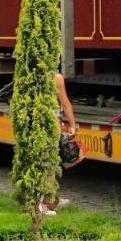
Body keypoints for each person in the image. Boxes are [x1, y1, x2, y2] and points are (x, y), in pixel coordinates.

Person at [39, 73, 76, 216]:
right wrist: (72, 125)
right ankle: (43, 204)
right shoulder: (56, 77)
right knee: (49, 164)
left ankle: (50, 199)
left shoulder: (30, 72)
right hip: (50, 123)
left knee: (45, 163)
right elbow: (65, 103)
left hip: (36, 123)